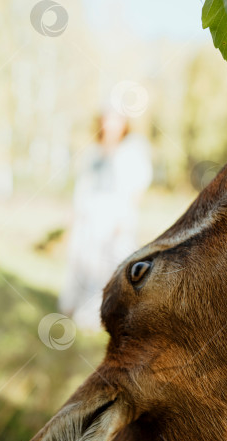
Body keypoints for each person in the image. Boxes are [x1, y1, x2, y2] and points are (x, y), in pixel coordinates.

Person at [59, 111, 152, 330]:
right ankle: (72, 304)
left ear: (124, 123)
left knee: (106, 264)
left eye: (116, 120)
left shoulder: (131, 151)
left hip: (115, 214)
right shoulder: (92, 151)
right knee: (81, 258)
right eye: (107, 119)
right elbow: (83, 184)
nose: (111, 124)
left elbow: (137, 188)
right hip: (88, 213)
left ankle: (95, 315)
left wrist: (125, 216)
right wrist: (74, 211)